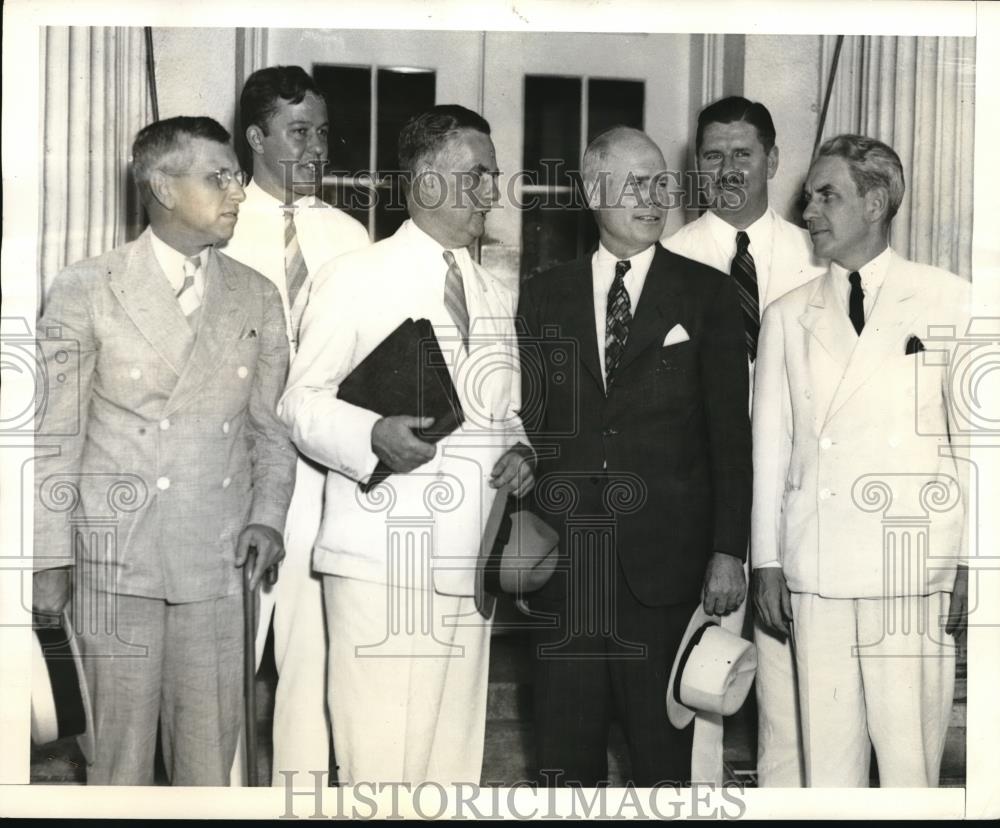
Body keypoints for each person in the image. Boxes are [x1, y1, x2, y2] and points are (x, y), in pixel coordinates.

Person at [32, 116, 296, 785]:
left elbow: (271, 428)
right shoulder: (86, 287)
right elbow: (55, 436)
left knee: (208, 763)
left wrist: (269, 515)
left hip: (217, 560)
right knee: (115, 763)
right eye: (219, 177)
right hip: (116, 565)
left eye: (237, 176)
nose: (238, 191)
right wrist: (47, 557)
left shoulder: (257, 294)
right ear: (163, 187)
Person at [278, 104, 534, 784]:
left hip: (469, 564)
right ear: (426, 184)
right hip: (382, 564)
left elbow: (504, 414)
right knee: (380, 770)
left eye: (494, 176)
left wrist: (521, 451)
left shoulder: (491, 290)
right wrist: (372, 436)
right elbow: (298, 403)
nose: (492, 192)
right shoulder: (355, 277)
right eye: (478, 176)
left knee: (453, 771)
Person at [517, 126, 752, 786]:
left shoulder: (706, 295)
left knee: (662, 760)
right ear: (594, 191)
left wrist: (728, 548)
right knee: (565, 760)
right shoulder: (542, 295)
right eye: (636, 184)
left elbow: (730, 434)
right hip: (568, 570)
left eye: (661, 183)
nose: (656, 197)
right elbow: (530, 423)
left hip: (666, 573)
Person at [751, 134, 969, 787]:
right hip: (816, 569)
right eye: (809, 196)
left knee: (909, 768)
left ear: (875, 203)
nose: (809, 211)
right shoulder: (787, 314)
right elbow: (772, 449)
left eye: (827, 195)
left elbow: (981, 445)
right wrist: (767, 561)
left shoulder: (948, 300)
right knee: (828, 768)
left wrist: (977, 562)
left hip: (911, 568)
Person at [662, 95, 825, 786]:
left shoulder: (818, 256)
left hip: (797, 499)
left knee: (793, 685)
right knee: (702, 677)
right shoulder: (666, 259)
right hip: (703, 501)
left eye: (742, 154)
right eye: (713, 155)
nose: (727, 168)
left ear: (773, 158)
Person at [221, 64, 370, 786]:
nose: (317, 149)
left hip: (323, 476)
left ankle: (301, 798)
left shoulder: (350, 235)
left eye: (323, 133)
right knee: (227, 661)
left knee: (312, 660)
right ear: (255, 136)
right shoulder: (217, 222)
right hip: (240, 480)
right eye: (298, 132)